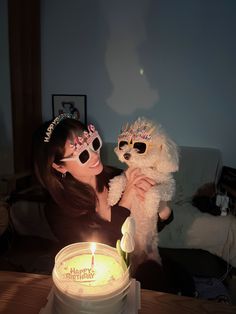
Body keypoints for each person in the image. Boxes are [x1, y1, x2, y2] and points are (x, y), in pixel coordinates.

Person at [32, 113, 195, 296]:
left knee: (182, 278)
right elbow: (102, 256)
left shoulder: (116, 177)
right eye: (83, 155)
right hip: (108, 281)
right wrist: (126, 199)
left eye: (94, 143)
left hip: (141, 258)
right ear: (59, 166)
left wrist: (163, 209)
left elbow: (145, 226)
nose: (94, 155)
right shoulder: (58, 211)